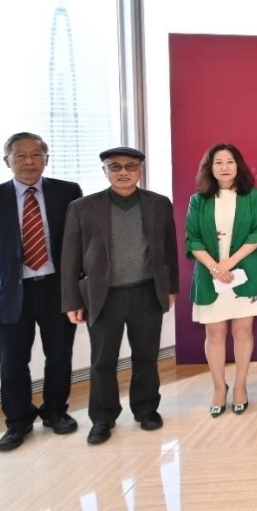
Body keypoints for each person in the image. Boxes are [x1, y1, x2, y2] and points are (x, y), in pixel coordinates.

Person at [0, 132, 83, 452]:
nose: (29, 161)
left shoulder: (68, 192)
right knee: (12, 363)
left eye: (35, 154)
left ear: (46, 158)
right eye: (20, 155)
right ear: (7, 161)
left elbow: (78, 241)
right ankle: (18, 422)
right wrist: (7, 277)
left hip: (56, 289)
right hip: (9, 293)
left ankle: (56, 412)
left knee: (59, 356)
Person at [61, 147, 178, 445]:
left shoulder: (159, 204)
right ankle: (103, 418)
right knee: (103, 361)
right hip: (103, 296)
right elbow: (70, 257)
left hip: (146, 292)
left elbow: (169, 249)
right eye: (115, 167)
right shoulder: (83, 207)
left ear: (140, 170)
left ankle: (146, 409)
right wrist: (72, 300)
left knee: (146, 356)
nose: (123, 172)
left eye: (130, 166)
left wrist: (171, 288)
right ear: (105, 171)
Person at [185, 143, 257, 417]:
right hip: (210, 276)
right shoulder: (198, 201)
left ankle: (240, 386)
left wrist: (228, 264)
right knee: (214, 334)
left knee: (243, 332)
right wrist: (215, 268)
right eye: (219, 162)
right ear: (209, 168)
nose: (225, 167)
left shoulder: (253, 196)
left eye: (230, 161)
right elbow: (193, 239)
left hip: (245, 274)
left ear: (238, 165)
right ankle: (218, 388)